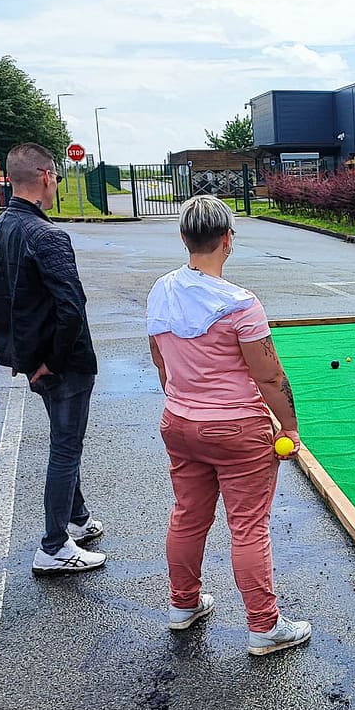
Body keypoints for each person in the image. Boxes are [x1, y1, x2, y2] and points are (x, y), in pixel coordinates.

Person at [147, 196, 311, 654]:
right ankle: (264, 626)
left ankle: (183, 604)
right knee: (249, 528)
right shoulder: (241, 304)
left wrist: (182, 404)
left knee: (187, 516)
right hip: (237, 430)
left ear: (184, 238)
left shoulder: (161, 291)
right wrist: (290, 428)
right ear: (227, 240)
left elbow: (160, 361)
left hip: (179, 422)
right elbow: (270, 376)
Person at [0, 142, 105, 575]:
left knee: (64, 439)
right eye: (57, 178)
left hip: (37, 362)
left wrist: (24, 357)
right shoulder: (47, 236)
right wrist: (51, 360)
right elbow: (71, 307)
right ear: (46, 176)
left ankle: (77, 518)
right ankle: (53, 546)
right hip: (64, 364)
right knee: (66, 448)